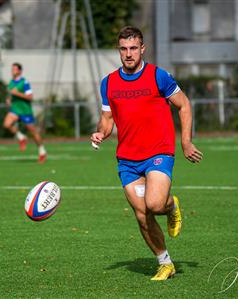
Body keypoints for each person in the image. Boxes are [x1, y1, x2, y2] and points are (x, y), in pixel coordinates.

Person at [91, 26, 203, 281]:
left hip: (158, 152)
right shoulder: (108, 83)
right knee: (142, 215)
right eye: (123, 49)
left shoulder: (158, 76)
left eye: (133, 48)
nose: (128, 54)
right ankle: (165, 263)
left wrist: (186, 142)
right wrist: (101, 133)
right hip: (127, 159)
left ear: (142, 48)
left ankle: (171, 205)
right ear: (118, 50)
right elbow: (107, 120)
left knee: (154, 204)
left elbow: (184, 104)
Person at [3, 63, 47, 163]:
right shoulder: (11, 82)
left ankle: (42, 151)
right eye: (12, 69)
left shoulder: (24, 82)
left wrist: (17, 93)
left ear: (19, 71)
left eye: (14, 69)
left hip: (25, 111)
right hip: (15, 109)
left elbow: (30, 97)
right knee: (6, 124)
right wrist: (9, 99)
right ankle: (21, 137)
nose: (12, 71)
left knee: (33, 132)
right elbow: (11, 95)